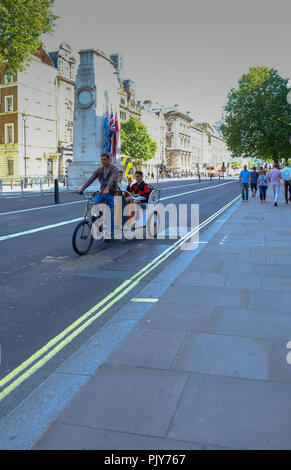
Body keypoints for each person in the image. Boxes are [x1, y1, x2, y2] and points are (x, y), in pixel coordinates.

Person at [76, 152, 118, 238]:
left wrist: (108, 188)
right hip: (102, 192)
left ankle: (109, 233)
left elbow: (112, 179)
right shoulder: (99, 170)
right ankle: (99, 219)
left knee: (112, 212)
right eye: (102, 160)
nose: (103, 161)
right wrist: (82, 189)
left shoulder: (114, 169)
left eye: (105, 159)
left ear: (109, 160)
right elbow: (90, 179)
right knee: (94, 203)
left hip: (111, 193)